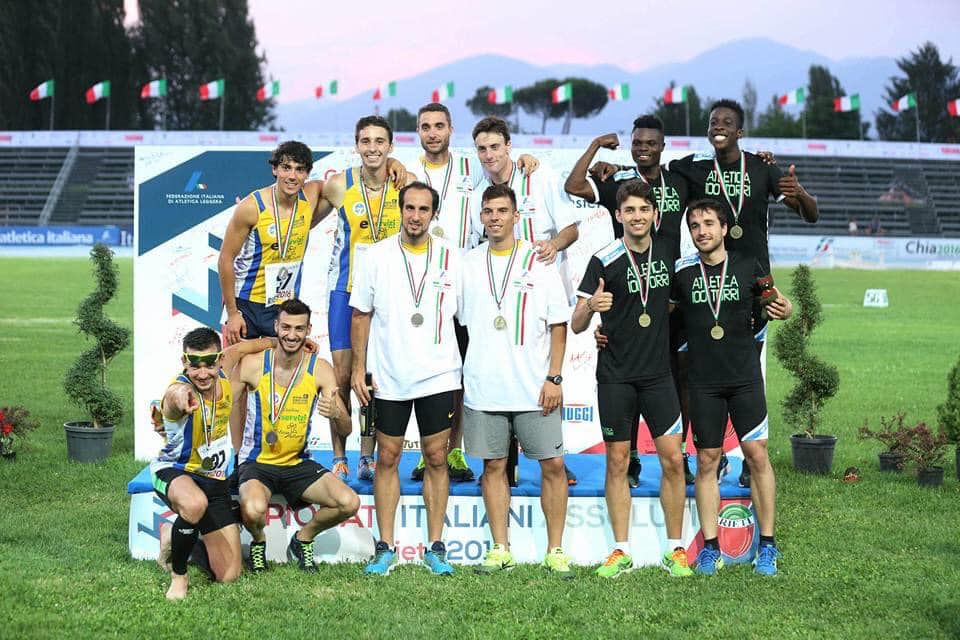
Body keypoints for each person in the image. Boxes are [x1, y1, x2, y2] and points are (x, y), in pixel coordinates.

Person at [668, 99, 818, 489]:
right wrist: (612, 168)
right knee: (690, 370)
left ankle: (752, 458)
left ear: (740, 131)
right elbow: (651, 169)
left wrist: (799, 190)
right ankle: (699, 453)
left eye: (727, 122)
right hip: (703, 281)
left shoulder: (762, 168)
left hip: (751, 285)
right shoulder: (694, 167)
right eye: (713, 121)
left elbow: (810, 213)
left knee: (748, 369)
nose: (718, 126)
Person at [410, 103, 541, 483]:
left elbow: (503, 166)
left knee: (465, 369)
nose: (433, 132)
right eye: (425, 126)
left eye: (439, 125)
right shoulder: (406, 171)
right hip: (421, 284)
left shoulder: (472, 167)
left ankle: (454, 449)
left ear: (451, 129)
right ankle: (428, 450)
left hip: (467, 280)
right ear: (418, 131)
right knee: (427, 369)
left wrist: (527, 160)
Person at [571, 180, 691, 578]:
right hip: (616, 377)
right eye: (630, 210)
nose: (637, 217)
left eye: (643, 209)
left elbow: (675, 305)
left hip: (659, 376)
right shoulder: (603, 259)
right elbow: (576, 323)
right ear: (618, 215)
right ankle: (620, 549)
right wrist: (592, 306)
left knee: (673, 460)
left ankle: (675, 548)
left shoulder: (670, 253)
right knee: (618, 461)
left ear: (654, 214)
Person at [565, 116, 693, 488]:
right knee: (629, 377)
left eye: (651, 143)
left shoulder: (679, 179)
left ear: (663, 146)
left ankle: (680, 453)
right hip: (626, 293)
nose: (644, 149)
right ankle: (632, 456)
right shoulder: (619, 181)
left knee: (677, 377)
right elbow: (574, 185)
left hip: (668, 290)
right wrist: (595, 148)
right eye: (638, 143)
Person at [670, 199, 792, 577]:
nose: (702, 231)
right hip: (703, 382)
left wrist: (785, 308)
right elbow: (661, 318)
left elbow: (777, 303)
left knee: (757, 456)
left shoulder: (747, 265)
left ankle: (767, 546)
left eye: (709, 223)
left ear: (724, 228)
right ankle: (711, 549)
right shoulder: (682, 272)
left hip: (744, 378)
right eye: (695, 225)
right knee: (707, 461)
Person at [460, 184, 573, 578]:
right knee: (494, 466)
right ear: (481, 217)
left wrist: (554, 377)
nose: (495, 218)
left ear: (515, 216)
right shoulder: (466, 263)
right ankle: (500, 548)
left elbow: (559, 324)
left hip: (535, 389)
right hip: (484, 388)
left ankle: (555, 549)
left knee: (553, 466)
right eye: (488, 211)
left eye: (502, 211)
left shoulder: (538, 260)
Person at [349, 182, 462, 576]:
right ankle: (385, 547)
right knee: (387, 457)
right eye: (409, 208)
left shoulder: (452, 257)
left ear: (434, 214)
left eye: (423, 209)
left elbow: (468, 316)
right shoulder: (376, 255)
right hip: (389, 375)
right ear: (400, 210)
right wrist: (358, 370)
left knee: (436, 457)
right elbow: (360, 316)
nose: (415, 216)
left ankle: (436, 547)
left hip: (438, 374)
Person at [470, 116, 581, 486]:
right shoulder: (477, 188)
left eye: (495, 147)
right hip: (498, 294)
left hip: (541, 289)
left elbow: (571, 227)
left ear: (509, 146)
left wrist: (553, 245)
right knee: (504, 374)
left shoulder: (539, 175)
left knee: (546, 374)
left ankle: (554, 455)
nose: (489, 155)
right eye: (482, 149)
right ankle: (506, 467)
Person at [321, 116, 417, 482]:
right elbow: (302, 217)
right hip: (345, 292)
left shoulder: (405, 183)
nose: (373, 148)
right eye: (366, 141)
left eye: (380, 141)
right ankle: (338, 455)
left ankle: (366, 455)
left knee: (374, 378)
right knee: (342, 376)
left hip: (388, 295)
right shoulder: (337, 185)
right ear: (356, 145)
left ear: (391, 146)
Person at [232, 299, 359, 573]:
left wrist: (337, 413)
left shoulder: (320, 369)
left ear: (308, 330)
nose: (292, 335)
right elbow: (222, 405)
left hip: (297, 463)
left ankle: (303, 538)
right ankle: (258, 541)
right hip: (257, 464)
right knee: (252, 509)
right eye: (286, 327)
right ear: (276, 326)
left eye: (299, 329)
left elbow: (347, 429)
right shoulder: (253, 365)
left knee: (349, 502)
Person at [151, 328, 274, 600]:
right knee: (194, 504)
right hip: (175, 471)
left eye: (209, 364)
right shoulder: (180, 389)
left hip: (213, 479)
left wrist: (278, 341)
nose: (203, 373)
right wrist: (180, 399)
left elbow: (242, 348)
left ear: (220, 360)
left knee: (229, 575)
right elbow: (173, 397)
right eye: (194, 365)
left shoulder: (225, 372)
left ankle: (174, 535)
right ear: (184, 362)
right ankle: (179, 576)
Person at [218, 141, 329, 346]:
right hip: (247, 303)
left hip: (284, 306)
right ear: (275, 169)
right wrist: (233, 313)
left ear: (307, 174)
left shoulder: (311, 195)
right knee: (236, 364)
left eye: (299, 169)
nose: (292, 176)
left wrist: (390, 164)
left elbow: (343, 184)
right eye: (286, 167)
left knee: (280, 366)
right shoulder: (251, 207)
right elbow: (225, 258)